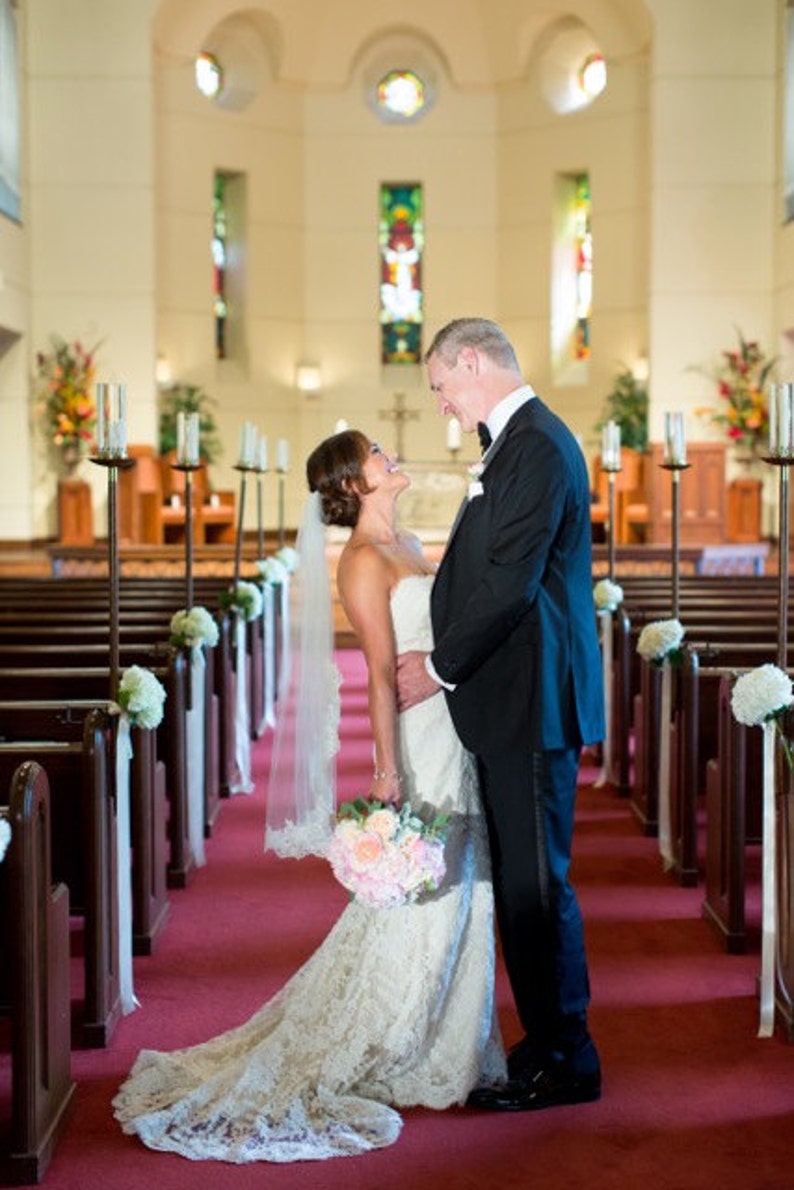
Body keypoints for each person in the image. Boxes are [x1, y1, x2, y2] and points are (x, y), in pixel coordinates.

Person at [112, 428, 505, 1164]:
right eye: (377, 453)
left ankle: (444, 1046)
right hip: (417, 743)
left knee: (461, 890)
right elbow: (381, 676)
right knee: (419, 891)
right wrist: (387, 772)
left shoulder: (413, 543)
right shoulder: (360, 562)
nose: (391, 454)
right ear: (354, 484)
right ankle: (391, 1041)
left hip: (455, 733)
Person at [397, 317, 605, 1112]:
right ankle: (547, 1039)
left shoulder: (540, 447)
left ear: (473, 363)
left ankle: (569, 1056)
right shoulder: (515, 443)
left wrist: (440, 668)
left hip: (531, 701)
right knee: (522, 880)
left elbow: (513, 583)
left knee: (536, 887)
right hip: (514, 699)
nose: (443, 407)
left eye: (443, 388)